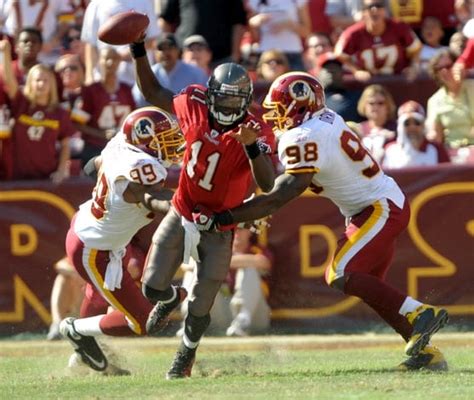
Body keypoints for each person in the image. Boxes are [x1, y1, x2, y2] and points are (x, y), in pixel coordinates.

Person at [207, 71, 449, 371]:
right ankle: (426, 353)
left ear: (301, 105)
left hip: (378, 207)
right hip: (373, 205)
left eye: (281, 109)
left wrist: (230, 215)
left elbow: (282, 194)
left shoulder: (304, 135)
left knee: (340, 273)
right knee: (368, 287)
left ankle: (421, 313)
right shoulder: (323, 120)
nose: (276, 116)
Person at [129, 38, 276, 379]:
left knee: (201, 302)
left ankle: (186, 354)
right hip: (183, 210)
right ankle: (170, 297)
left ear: (246, 101)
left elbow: (267, 183)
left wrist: (252, 148)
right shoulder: (193, 103)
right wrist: (138, 50)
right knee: (152, 288)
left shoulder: (256, 129)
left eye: (235, 100)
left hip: (220, 224)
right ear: (210, 95)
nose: (228, 105)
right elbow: (152, 92)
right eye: (223, 97)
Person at [60, 106, 185, 372]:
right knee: (144, 322)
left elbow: (90, 166)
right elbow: (152, 197)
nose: (173, 145)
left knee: (97, 296)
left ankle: (85, 355)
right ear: (144, 142)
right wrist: (189, 204)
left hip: (94, 230)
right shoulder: (141, 168)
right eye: (165, 140)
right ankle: (76, 330)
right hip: (94, 248)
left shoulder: (121, 145)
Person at [0, 40, 74, 182]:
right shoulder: (21, 103)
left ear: (52, 84)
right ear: (30, 83)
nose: (41, 84)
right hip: (17, 178)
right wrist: (5, 53)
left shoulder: (60, 113)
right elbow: (9, 81)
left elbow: (65, 145)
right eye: (38, 80)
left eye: (46, 80)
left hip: (46, 179)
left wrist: (61, 171)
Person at [334, 0, 422, 81]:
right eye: (370, 7)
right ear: (363, 12)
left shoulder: (399, 27)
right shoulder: (354, 33)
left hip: (396, 79)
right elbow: (339, 53)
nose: (374, 10)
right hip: (368, 83)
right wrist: (356, 71)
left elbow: (416, 48)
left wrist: (413, 67)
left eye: (379, 6)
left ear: (385, 10)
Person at [159, 0, 247, 67]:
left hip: (221, 59)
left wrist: (235, 55)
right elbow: (166, 20)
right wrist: (170, 50)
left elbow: (238, 22)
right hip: (186, 59)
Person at [132, 33, 208, 107]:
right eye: (161, 48)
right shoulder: (148, 73)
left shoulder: (196, 73)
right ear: (154, 52)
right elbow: (139, 101)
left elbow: (206, 102)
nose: (166, 52)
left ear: (178, 50)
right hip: (157, 115)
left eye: (170, 48)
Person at [426, 49, 474, 151]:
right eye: (439, 68)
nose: (444, 71)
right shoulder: (434, 100)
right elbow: (436, 136)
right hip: (453, 152)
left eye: (448, 66)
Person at [382, 101, 450, 169]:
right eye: (407, 123)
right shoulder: (390, 150)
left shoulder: (437, 150)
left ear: (423, 126)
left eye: (417, 123)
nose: (412, 127)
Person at [246, 0, 312, 70]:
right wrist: (255, 21)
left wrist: (288, 24)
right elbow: (253, 35)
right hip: (266, 54)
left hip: (292, 53)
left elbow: (307, 32)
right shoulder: (255, 1)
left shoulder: (298, 1)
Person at [357, 84, 397, 163]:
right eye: (371, 103)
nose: (375, 107)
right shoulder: (358, 129)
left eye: (380, 103)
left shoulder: (398, 128)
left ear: (388, 106)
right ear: (364, 105)